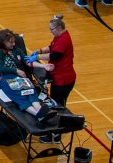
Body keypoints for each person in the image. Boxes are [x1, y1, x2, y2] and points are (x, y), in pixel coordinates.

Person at [0, 30, 58, 124]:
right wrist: (16, 70)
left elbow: (28, 61)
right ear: (3, 42)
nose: (14, 44)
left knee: (30, 91)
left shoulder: (16, 50)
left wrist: (44, 66)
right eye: (11, 42)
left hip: (19, 77)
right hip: (6, 78)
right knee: (19, 95)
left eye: (14, 41)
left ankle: (40, 110)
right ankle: (37, 114)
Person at [35, 14, 76, 142]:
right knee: (56, 105)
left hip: (63, 80)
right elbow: (52, 46)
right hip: (60, 77)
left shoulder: (64, 39)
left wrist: (36, 58)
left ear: (58, 27)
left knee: (57, 107)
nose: (50, 31)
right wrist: (39, 51)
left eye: (51, 29)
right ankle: (54, 132)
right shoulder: (60, 36)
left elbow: (55, 55)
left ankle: (56, 134)